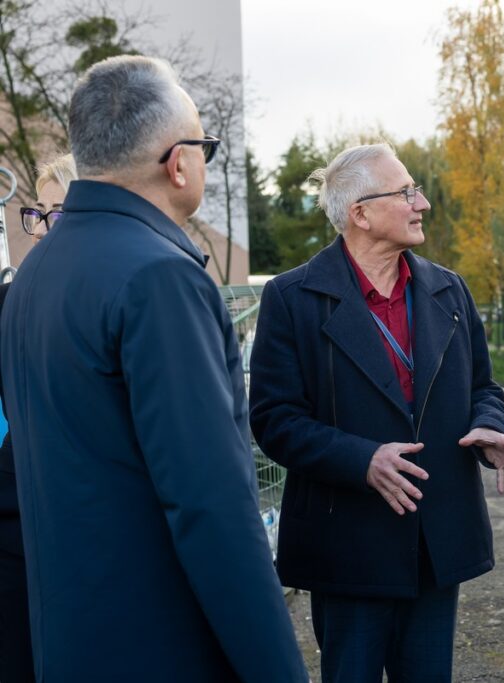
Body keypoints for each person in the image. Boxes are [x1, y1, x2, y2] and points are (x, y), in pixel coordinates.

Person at [0, 55, 308, 681]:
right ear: (179, 162)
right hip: (160, 647)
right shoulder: (159, 276)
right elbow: (211, 506)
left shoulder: (35, 272)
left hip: (67, 645)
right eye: (205, 146)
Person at [249, 143, 504, 683]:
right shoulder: (292, 298)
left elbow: (483, 387)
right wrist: (363, 460)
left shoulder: (449, 289)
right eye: (405, 192)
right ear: (360, 213)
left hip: (435, 540)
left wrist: (490, 426)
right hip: (348, 546)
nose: (421, 202)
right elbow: (274, 420)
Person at [0, 153, 76, 683]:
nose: (44, 228)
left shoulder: (117, 299)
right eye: (39, 212)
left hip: (84, 535)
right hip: (13, 530)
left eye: (60, 212)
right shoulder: (8, 301)